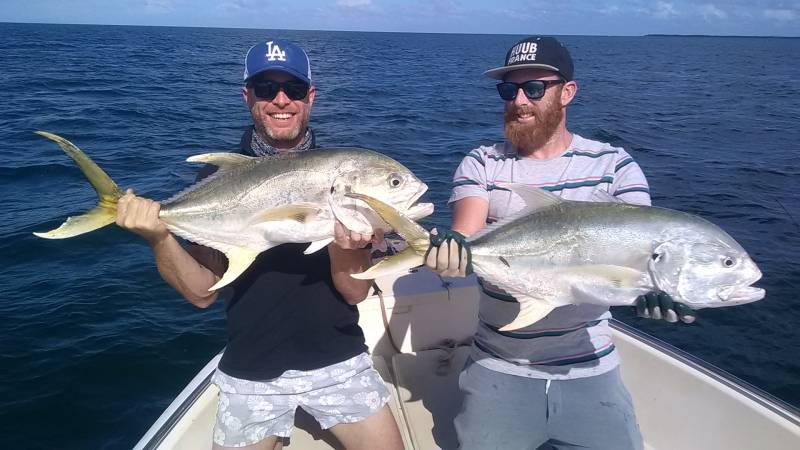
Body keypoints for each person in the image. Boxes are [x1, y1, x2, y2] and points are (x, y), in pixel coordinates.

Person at [115, 39, 403, 450]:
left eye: (294, 89)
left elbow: (355, 291)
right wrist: (159, 234)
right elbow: (200, 295)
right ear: (248, 96)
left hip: (340, 360)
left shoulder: (340, 173)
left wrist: (348, 244)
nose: (280, 100)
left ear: (311, 97)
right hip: (251, 369)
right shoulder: (216, 181)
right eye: (266, 89)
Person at [425, 36, 696, 449]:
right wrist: (451, 251)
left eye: (534, 89)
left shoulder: (613, 166)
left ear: (567, 92)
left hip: (591, 367)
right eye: (509, 89)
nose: (519, 101)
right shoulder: (482, 162)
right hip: (499, 363)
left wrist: (661, 287)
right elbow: (467, 233)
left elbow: (644, 243)